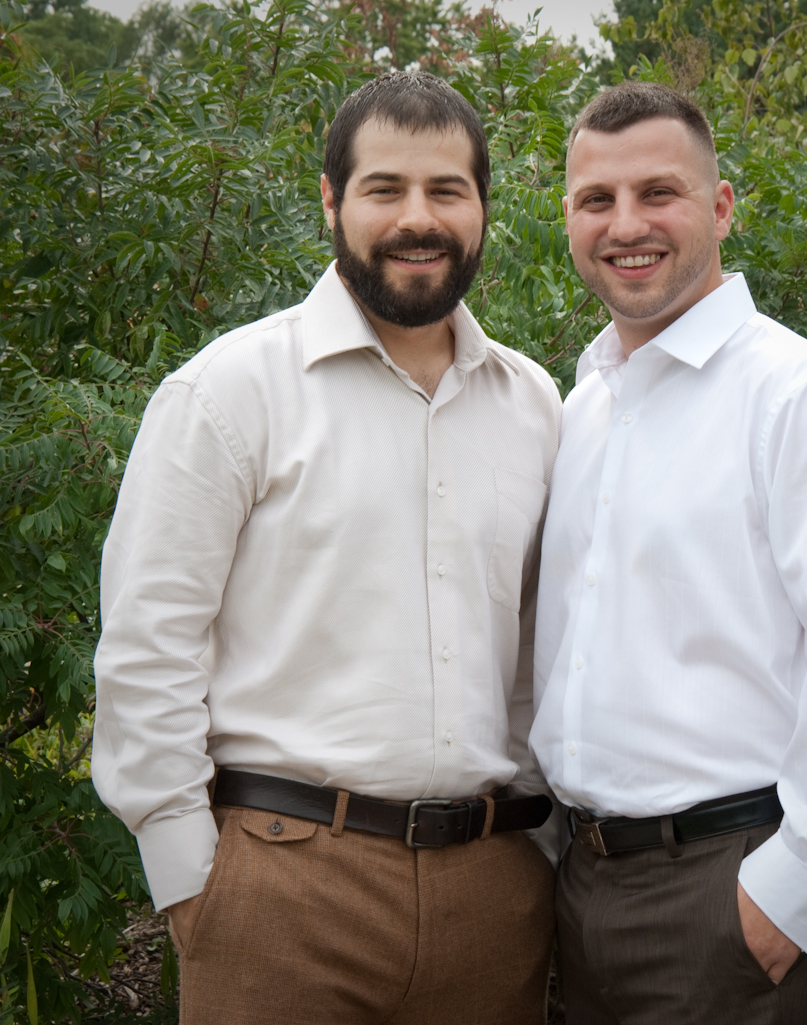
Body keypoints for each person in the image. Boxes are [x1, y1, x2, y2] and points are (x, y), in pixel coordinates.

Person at [92, 71, 562, 1025]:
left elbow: (537, 654)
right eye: (385, 188)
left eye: (446, 189)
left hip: (493, 898)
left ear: (483, 205)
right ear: (331, 199)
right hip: (280, 889)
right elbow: (148, 645)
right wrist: (192, 882)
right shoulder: (229, 392)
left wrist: (534, 853)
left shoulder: (535, 407)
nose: (417, 217)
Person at [530, 81, 807, 1025]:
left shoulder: (801, 400)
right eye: (597, 199)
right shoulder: (581, 411)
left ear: (721, 207)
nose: (627, 224)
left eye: (658, 192)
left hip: (731, 891)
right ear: (569, 218)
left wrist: (786, 895)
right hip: (581, 887)